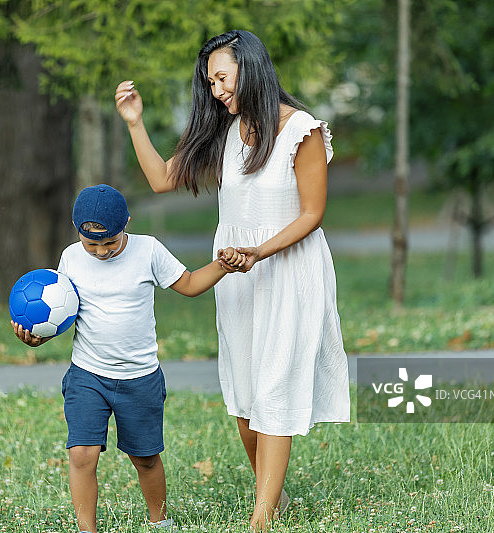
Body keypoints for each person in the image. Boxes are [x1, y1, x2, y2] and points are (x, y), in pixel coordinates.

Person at [114, 30, 350, 531]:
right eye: (211, 82)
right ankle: (275, 497)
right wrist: (135, 124)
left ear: (251, 67)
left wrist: (258, 252)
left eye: (223, 78)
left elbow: (312, 214)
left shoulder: (301, 130)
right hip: (237, 276)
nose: (217, 90)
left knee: (274, 390)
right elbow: (161, 179)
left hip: (287, 268)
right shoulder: (225, 131)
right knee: (245, 402)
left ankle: (261, 518)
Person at [12, 184, 243, 533]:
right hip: (87, 375)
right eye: (93, 244)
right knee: (81, 454)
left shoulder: (148, 250)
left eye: (110, 242)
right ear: (78, 233)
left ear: (127, 225)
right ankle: (86, 529)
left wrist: (223, 267)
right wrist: (34, 341)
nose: (102, 251)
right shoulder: (71, 258)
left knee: (146, 458)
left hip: (140, 377)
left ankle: (160, 522)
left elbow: (191, 284)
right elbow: (59, 315)